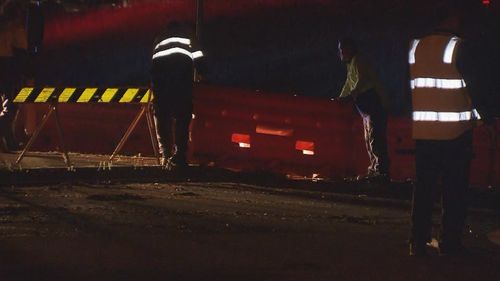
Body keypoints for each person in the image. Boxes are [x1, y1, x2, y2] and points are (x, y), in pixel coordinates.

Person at [408, 3, 486, 256]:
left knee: (423, 190)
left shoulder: (415, 47)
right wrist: (485, 119)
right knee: (454, 191)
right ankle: (449, 243)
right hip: (455, 134)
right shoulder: (457, 47)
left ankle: (417, 243)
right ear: (453, 18)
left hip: (424, 133)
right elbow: (475, 88)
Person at [150, 21, 204, 169]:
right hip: (181, 78)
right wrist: (201, 72)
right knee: (182, 116)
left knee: (162, 114)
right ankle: (180, 155)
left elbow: (153, 62)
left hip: (161, 80)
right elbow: (198, 55)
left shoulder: (159, 37)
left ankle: (165, 154)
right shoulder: (187, 35)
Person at [337, 37, 390, 182]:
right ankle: (374, 169)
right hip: (365, 109)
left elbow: (363, 80)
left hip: (374, 104)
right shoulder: (351, 64)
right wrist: (342, 97)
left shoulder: (359, 60)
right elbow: (349, 82)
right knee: (369, 138)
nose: (340, 52)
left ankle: (381, 171)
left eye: (342, 49)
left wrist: (351, 95)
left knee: (375, 137)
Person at [0, 0, 28, 152]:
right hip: (9, 68)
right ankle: (3, 129)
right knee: (12, 104)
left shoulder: (3, 27)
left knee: (7, 103)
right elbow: (21, 54)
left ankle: (9, 142)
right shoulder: (16, 29)